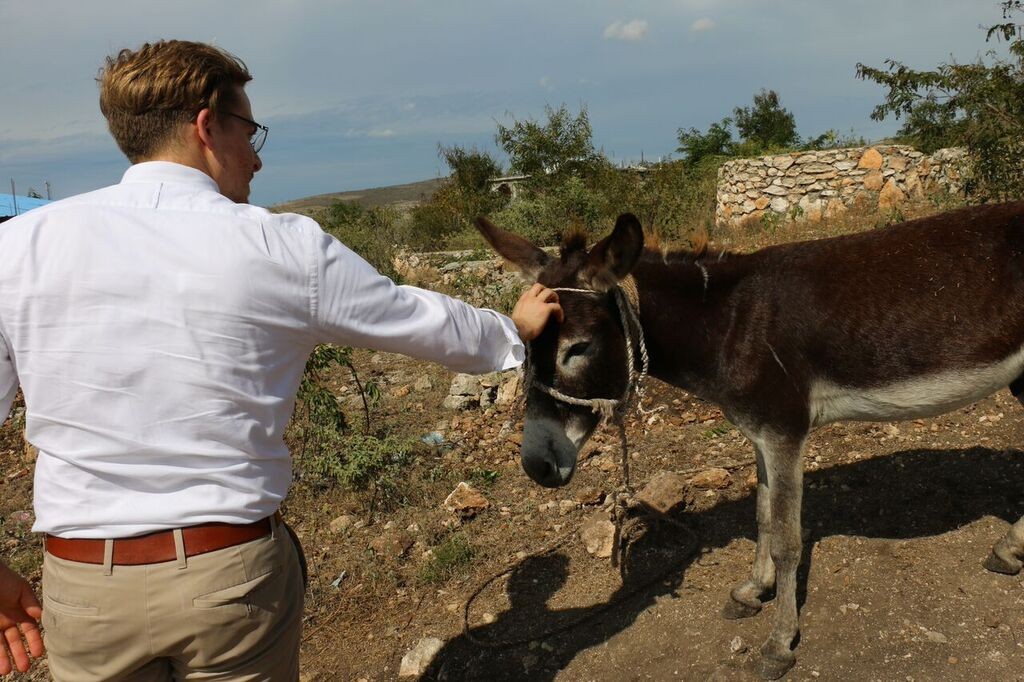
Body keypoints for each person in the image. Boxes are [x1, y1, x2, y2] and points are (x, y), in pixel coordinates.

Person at [0, 39, 561, 680]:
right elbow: (412, 318)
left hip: (83, 590)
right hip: (229, 580)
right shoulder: (276, 244)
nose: (258, 157)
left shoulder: (16, 248)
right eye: (250, 130)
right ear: (207, 126)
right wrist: (510, 330)